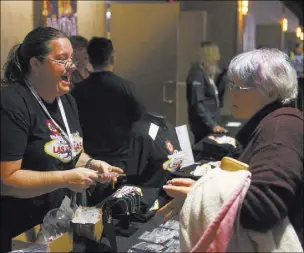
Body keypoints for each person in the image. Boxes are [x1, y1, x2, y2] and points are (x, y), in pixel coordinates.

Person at [158, 48, 303, 246]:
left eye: (238, 86)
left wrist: (200, 195)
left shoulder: (279, 130)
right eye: (231, 84)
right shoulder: (275, 123)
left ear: (271, 90)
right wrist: (199, 189)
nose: (231, 92)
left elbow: (261, 207)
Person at [0, 27, 123, 252]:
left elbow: (71, 152)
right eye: (62, 59)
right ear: (35, 63)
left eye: (72, 59)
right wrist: (65, 178)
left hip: (60, 224)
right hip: (21, 231)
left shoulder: (66, 101)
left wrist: (92, 164)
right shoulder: (11, 103)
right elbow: (6, 181)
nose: (73, 66)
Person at [72, 37, 145, 171]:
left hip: (90, 160)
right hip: (122, 159)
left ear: (89, 59)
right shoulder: (127, 87)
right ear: (112, 57)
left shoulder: (78, 91)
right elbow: (140, 122)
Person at [186, 41, 226, 144]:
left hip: (210, 126)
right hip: (204, 128)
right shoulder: (197, 75)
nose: (219, 58)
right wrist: (211, 125)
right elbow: (197, 104)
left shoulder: (207, 75)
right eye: (216, 55)